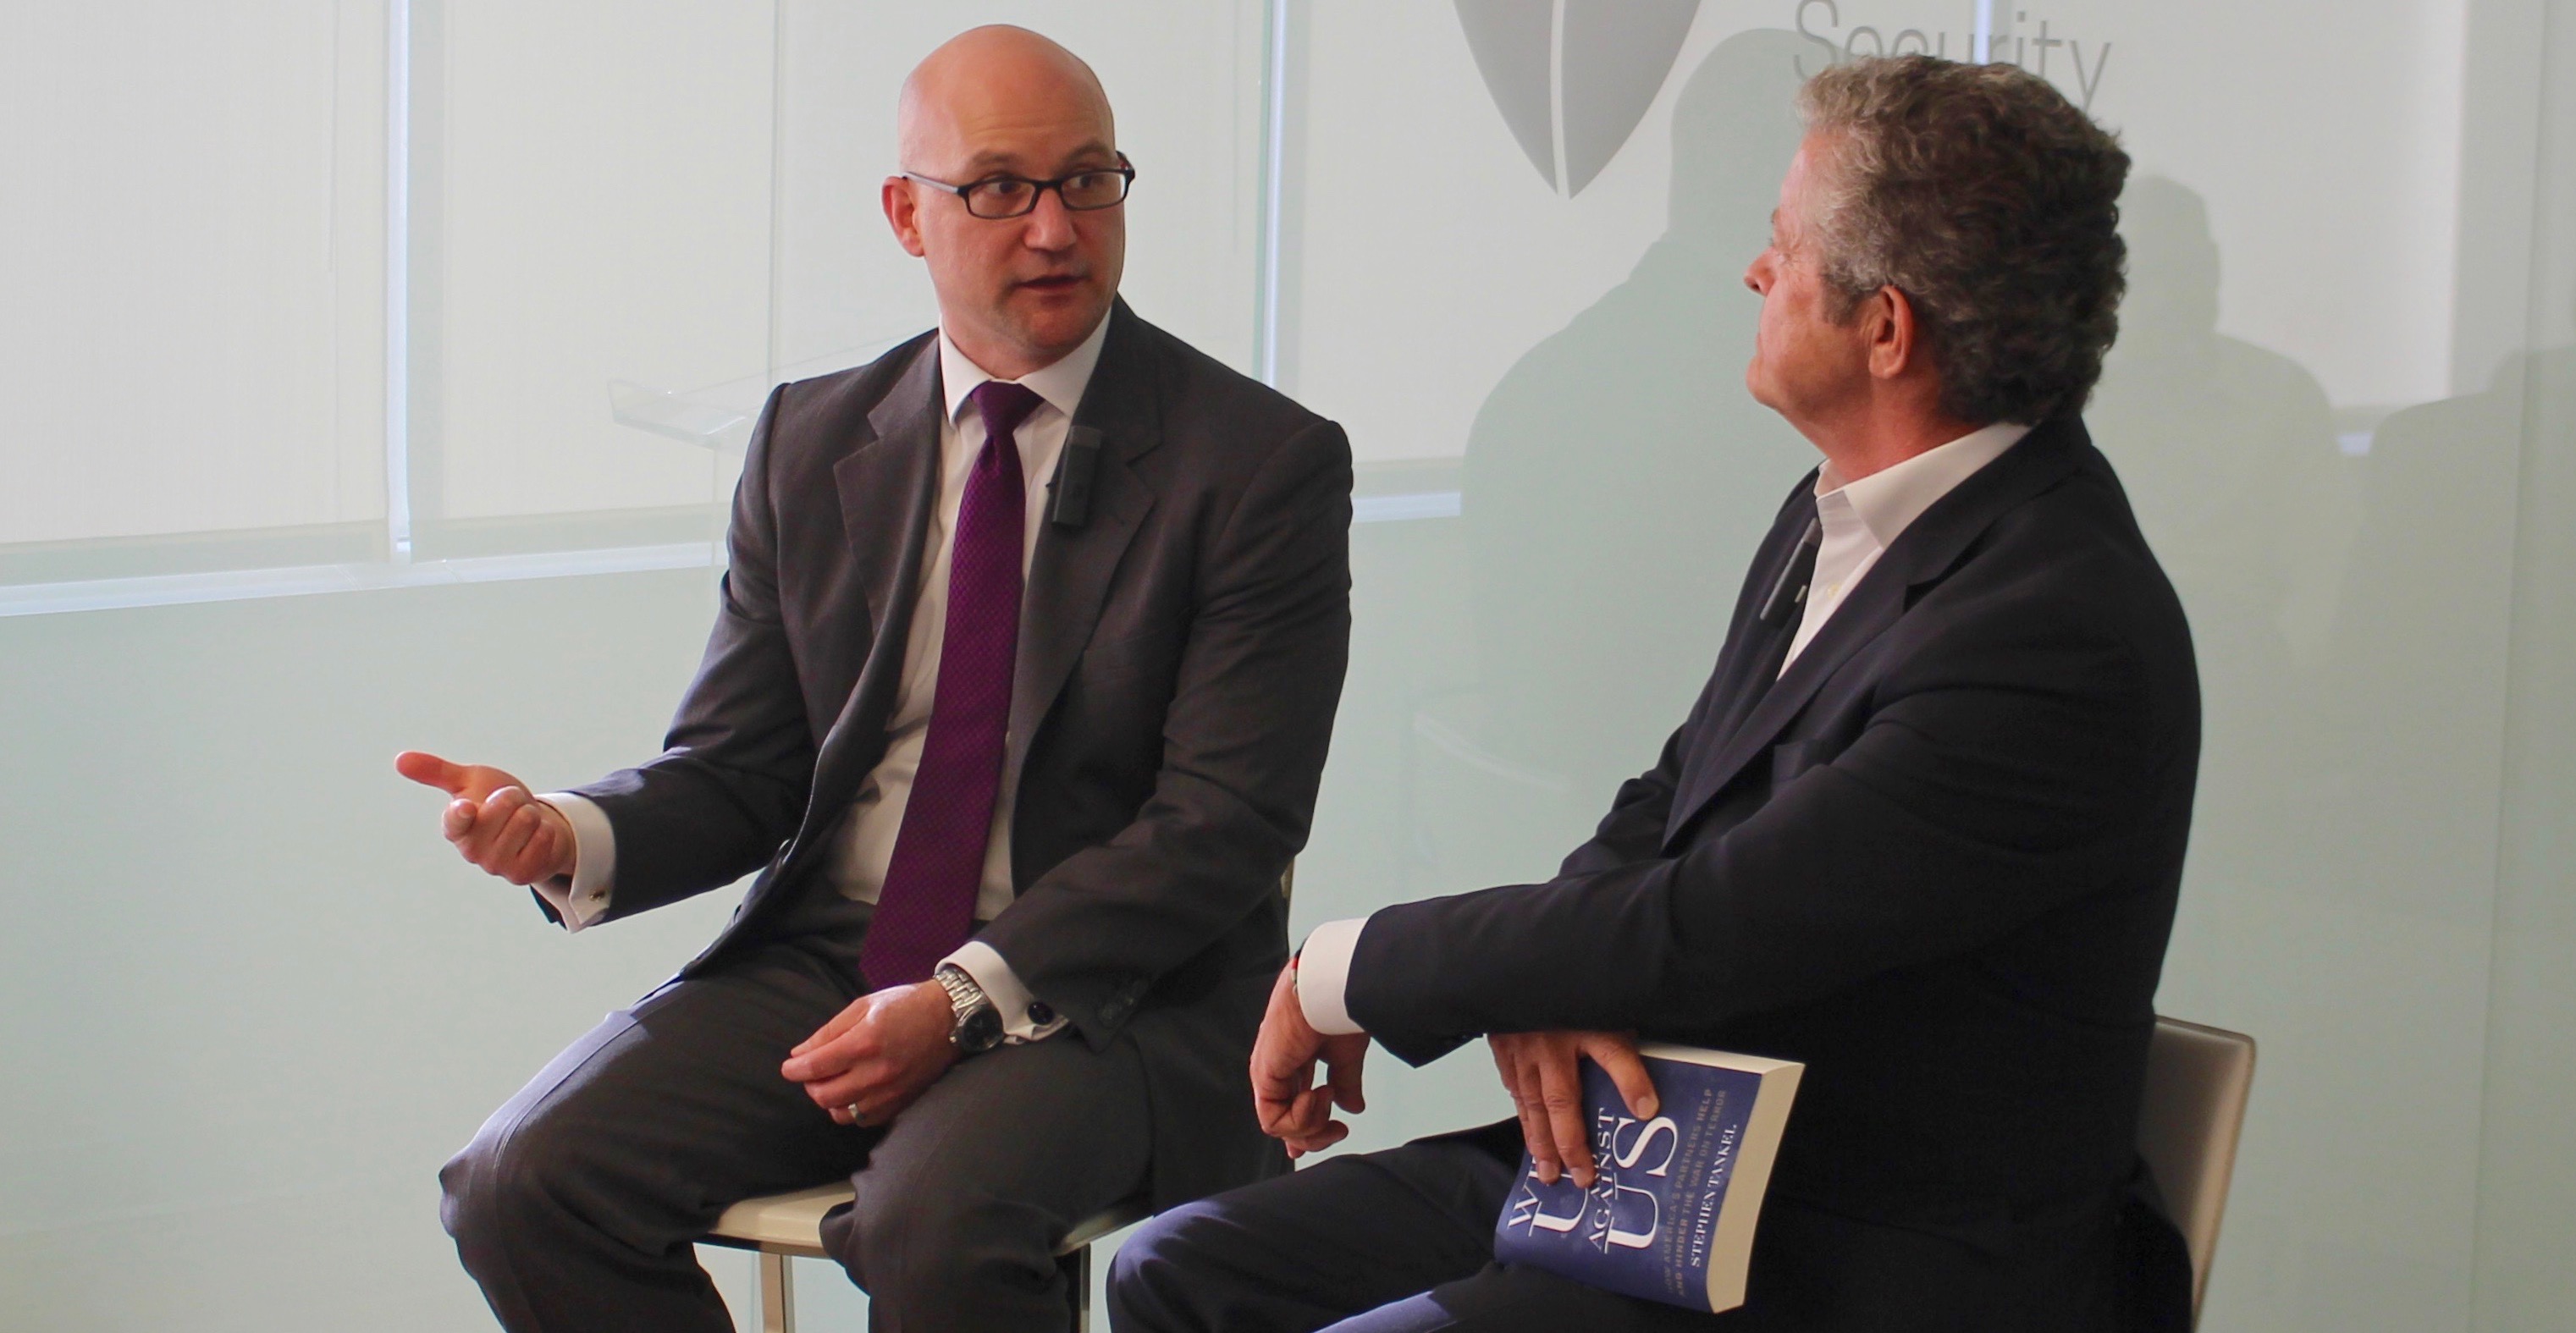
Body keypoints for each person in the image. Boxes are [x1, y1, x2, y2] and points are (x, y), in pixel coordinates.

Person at [1109, 55, 2198, 1333]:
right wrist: (1547, 976)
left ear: (1886, 329)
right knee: (1173, 1269)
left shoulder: (2055, 630)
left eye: (1787, 246)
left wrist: (1348, 970)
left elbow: (1718, 920)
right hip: (1669, 1170)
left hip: (1855, 1251)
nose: (1756, 271)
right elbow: (1677, 796)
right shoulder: (1843, 508)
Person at [400, 25, 1351, 1333]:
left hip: (1123, 998)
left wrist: (964, 999)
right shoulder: (811, 439)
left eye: (1088, 180)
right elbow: (745, 769)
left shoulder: (1254, 462)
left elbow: (1227, 823)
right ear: (908, 215)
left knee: (930, 1230)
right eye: (1001, 188)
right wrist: (568, 832)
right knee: (521, 1186)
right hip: (835, 961)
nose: (1056, 229)